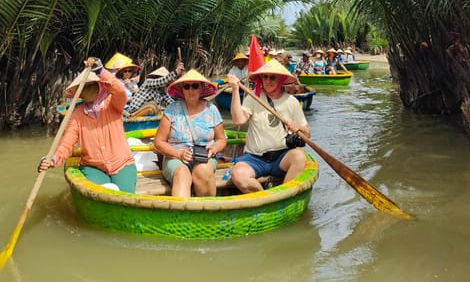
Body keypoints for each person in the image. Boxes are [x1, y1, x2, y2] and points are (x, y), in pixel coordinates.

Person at [37, 57, 137, 193]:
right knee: (102, 193)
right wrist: (52, 159)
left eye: (92, 85)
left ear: (100, 87)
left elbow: (120, 91)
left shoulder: (112, 104)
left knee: (125, 195)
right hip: (93, 167)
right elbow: (67, 143)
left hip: (122, 164)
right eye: (84, 87)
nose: (88, 89)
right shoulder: (77, 115)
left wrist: (101, 71)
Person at [227, 59, 311, 193]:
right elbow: (238, 120)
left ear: (281, 80)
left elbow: (307, 134)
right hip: (255, 158)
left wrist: (298, 127)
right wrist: (235, 90)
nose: (267, 81)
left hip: (281, 157)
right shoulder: (254, 98)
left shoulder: (292, 102)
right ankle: (264, 197)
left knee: (300, 156)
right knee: (238, 175)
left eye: (272, 77)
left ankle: (285, 194)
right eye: (265, 77)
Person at [154, 69, 227, 197]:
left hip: (205, 157)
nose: (191, 90)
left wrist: (214, 149)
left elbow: (221, 139)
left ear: (201, 89)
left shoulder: (212, 109)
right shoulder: (172, 110)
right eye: (187, 87)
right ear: (182, 90)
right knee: (182, 174)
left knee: (202, 170)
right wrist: (179, 154)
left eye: (195, 86)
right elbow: (159, 142)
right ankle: (182, 215)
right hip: (175, 157)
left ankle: (206, 212)